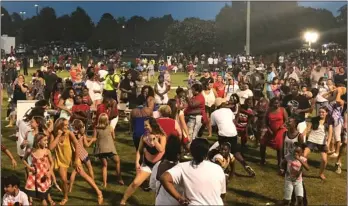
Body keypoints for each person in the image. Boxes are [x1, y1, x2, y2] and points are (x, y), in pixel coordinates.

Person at [49, 118, 103, 205]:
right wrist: (58, 136)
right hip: (60, 159)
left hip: (72, 157)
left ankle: (99, 193)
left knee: (84, 175)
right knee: (63, 180)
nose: (68, 127)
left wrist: (76, 160)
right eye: (65, 125)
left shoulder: (69, 133)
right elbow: (51, 147)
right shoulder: (53, 134)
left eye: (67, 125)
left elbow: (77, 145)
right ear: (60, 126)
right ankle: (65, 197)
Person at [160, 138, 226, 205]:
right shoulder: (218, 168)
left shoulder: (183, 167)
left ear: (191, 151)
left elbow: (164, 178)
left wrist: (179, 198)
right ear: (207, 152)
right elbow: (222, 194)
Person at [120, 117, 167, 205]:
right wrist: (137, 162)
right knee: (135, 183)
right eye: (144, 125)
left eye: (146, 125)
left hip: (159, 165)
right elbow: (139, 151)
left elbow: (161, 149)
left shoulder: (162, 136)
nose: (144, 127)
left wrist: (154, 140)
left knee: (161, 187)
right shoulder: (144, 137)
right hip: (148, 164)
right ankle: (123, 200)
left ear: (152, 125)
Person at [210, 98, 256, 176]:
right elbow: (233, 121)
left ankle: (225, 170)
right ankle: (246, 165)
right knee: (235, 151)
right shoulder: (229, 111)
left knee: (221, 151)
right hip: (233, 133)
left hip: (223, 134)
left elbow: (213, 126)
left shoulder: (214, 113)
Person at [22, 133, 55, 205]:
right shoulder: (31, 150)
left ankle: (47, 200)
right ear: (38, 141)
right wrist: (29, 167)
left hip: (44, 176)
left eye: (47, 140)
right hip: (36, 176)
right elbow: (23, 159)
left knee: (43, 194)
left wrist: (50, 171)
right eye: (45, 140)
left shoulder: (47, 151)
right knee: (42, 197)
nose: (47, 142)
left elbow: (52, 163)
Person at [149, 135, 182, 205]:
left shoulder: (158, 165)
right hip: (176, 202)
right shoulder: (182, 168)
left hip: (160, 202)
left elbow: (152, 185)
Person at [94, 113, 123, 187]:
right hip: (110, 149)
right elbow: (114, 137)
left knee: (104, 165)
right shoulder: (110, 128)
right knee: (117, 161)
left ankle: (104, 183)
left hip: (100, 150)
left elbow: (94, 138)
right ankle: (119, 178)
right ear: (107, 120)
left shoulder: (96, 128)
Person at [303, 106, 332, 180]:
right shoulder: (314, 119)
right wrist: (302, 134)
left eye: (323, 112)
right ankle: (301, 170)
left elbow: (330, 133)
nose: (321, 113)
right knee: (304, 155)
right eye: (320, 112)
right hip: (312, 139)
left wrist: (327, 145)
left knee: (324, 160)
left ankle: (321, 173)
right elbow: (308, 129)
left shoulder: (329, 121)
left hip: (321, 142)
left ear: (326, 113)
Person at [69, 119, 97, 192]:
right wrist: (92, 140)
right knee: (90, 168)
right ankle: (93, 183)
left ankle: (70, 188)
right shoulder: (82, 135)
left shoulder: (72, 135)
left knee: (74, 172)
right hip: (84, 154)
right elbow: (87, 145)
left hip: (77, 156)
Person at [260, 97, 288, 167]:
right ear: (272, 103)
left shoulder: (282, 110)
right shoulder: (269, 110)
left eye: (278, 103)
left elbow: (286, 120)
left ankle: (279, 162)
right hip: (271, 130)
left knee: (279, 146)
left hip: (280, 130)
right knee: (262, 143)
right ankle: (262, 160)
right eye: (275, 103)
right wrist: (269, 129)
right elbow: (266, 122)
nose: (277, 105)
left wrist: (282, 125)